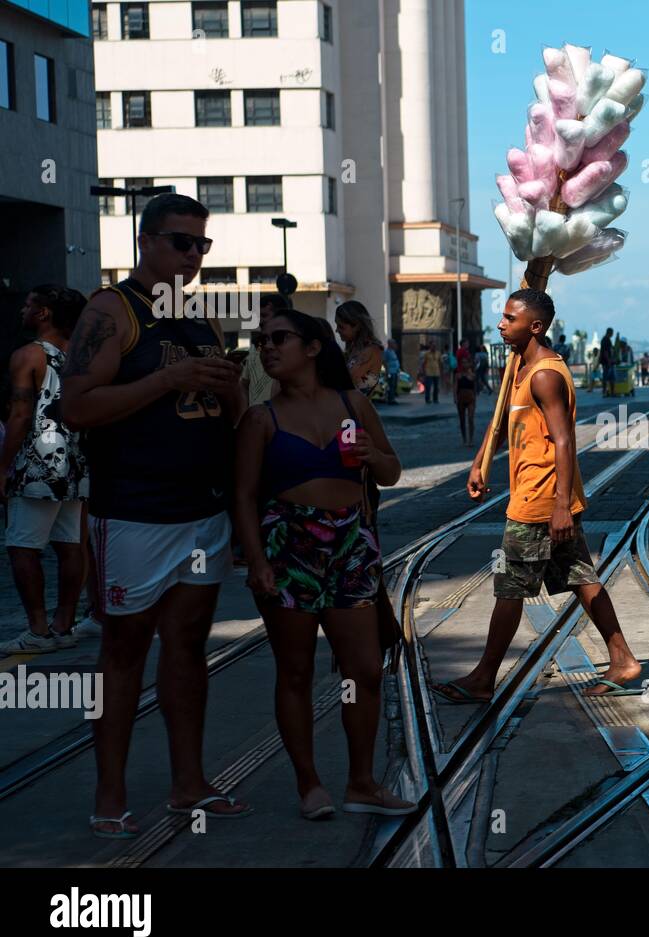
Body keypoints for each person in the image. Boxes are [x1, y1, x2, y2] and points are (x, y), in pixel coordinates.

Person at [61, 192, 250, 838]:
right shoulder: (111, 311)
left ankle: (187, 780)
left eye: (203, 245)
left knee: (189, 648)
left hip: (200, 512)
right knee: (124, 648)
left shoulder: (201, 320)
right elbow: (77, 405)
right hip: (134, 512)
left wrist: (231, 395)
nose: (194, 256)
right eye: (182, 242)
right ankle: (109, 790)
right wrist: (165, 383)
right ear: (145, 240)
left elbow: (234, 419)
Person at [233, 309, 414, 819]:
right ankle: (309, 782)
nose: (267, 348)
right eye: (261, 340)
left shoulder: (352, 403)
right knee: (295, 670)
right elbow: (243, 497)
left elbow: (393, 471)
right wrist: (255, 561)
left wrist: (368, 456)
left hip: (351, 542)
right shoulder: (260, 419)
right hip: (286, 545)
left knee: (362, 670)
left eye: (279, 339)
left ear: (313, 348)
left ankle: (361, 782)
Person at [435, 289, 641, 702]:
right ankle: (623, 661)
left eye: (509, 319)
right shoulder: (521, 368)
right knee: (582, 580)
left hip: (540, 500)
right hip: (540, 496)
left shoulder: (545, 375)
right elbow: (503, 427)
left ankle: (482, 678)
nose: (500, 324)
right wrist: (480, 463)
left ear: (535, 326)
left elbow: (565, 441)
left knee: (510, 588)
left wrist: (561, 504)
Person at [1, 285, 89, 654]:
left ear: (44, 314)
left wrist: (3, 465)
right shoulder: (84, 357)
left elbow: (21, 414)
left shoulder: (28, 356)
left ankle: (38, 630)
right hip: (76, 459)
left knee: (22, 546)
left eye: (28, 305)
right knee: (71, 544)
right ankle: (63, 625)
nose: (23, 310)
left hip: (37, 461)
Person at [242, 292, 289, 406]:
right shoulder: (255, 348)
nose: (260, 321)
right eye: (258, 316)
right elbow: (244, 385)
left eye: (264, 315)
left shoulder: (292, 348)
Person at [335, 301, 384, 399]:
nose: (337, 330)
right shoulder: (354, 349)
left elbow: (348, 384)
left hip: (354, 411)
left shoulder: (372, 351)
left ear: (357, 326)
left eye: (341, 327)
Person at [454, 354, 477, 447]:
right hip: (461, 398)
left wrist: (475, 400)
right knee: (462, 419)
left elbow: (475, 389)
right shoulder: (458, 375)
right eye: (462, 363)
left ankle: (471, 440)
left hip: (470, 398)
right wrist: (455, 398)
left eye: (466, 363)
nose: (464, 364)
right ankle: (464, 439)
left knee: (470, 418)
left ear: (469, 364)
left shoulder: (472, 375)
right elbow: (455, 387)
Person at [382, 339, 401, 405]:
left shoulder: (393, 351)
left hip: (395, 371)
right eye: (393, 343)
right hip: (390, 371)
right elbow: (384, 361)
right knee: (391, 386)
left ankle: (392, 398)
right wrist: (387, 371)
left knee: (394, 386)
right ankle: (390, 400)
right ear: (390, 344)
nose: (394, 344)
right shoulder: (386, 352)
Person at [599, 327, 615, 397]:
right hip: (606, 362)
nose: (612, 334)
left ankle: (611, 392)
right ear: (610, 332)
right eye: (612, 333)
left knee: (611, 377)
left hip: (608, 361)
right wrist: (608, 361)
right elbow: (605, 351)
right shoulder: (606, 340)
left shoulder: (606, 339)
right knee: (606, 377)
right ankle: (605, 392)